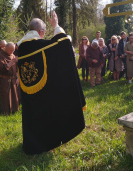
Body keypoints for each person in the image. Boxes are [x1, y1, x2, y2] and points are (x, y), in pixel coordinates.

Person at [17, 11, 85, 155]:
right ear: (41, 32)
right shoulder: (38, 45)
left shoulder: (21, 47)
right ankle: (45, 143)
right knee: (43, 111)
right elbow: (62, 44)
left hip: (27, 89)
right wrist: (56, 25)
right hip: (41, 92)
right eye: (44, 32)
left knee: (30, 113)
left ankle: (30, 144)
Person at [0, 42, 20, 115]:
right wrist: (12, 61)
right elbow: (3, 69)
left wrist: (17, 77)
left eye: (13, 50)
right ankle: (4, 112)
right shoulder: (1, 55)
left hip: (13, 79)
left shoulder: (13, 55)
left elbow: (16, 69)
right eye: (10, 50)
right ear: (5, 48)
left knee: (14, 96)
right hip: (3, 80)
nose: (12, 52)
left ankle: (13, 110)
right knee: (5, 97)